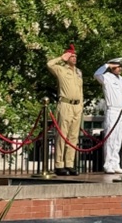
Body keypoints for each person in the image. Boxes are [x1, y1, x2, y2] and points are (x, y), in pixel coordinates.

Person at [47, 44, 83, 176]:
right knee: (62, 135)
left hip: (77, 106)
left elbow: (80, 90)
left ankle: (69, 163)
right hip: (65, 104)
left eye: (75, 56)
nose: (74, 58)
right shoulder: (61, 69)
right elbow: (49, 64)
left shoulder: (78, 72)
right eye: (72, 56)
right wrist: (61, 58)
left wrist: (81, 106)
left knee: (73, 136)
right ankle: (59, 164)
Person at [94, 57, 122, 174]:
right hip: (112, 110)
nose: (119, 69)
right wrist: (107, 65)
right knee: (111, 138)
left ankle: (115, 163)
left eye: (120, 66)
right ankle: (108, 164)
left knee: (118, 138)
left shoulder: (121, 79)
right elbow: (96, 74)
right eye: (117, 66)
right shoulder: (106, 77)